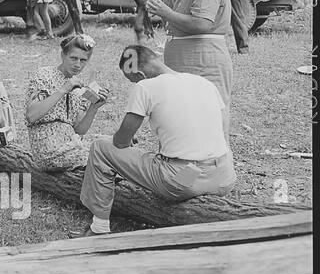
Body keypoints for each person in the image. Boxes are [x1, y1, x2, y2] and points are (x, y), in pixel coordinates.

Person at [78, 43, 234, 236]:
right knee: (184, 167)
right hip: (223, 176)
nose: (135, 84)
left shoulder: (145, 87)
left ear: (140, 75)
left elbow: (119, 143)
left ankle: (99, 227)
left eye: (133, 80)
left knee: (100, 147)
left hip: (185, 180)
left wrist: (122, 138)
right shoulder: (204, 83)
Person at [146, 0, 234, 134]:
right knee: (190, 121)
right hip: (192, 63)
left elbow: (201, 23)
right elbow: (177, 22)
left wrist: (165, 12)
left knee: (208, 118)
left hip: (203, 63)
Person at [25, 33, 111, 173]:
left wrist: (93, 108)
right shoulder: (44, 75)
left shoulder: (78, 88)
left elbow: (79, 130)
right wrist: (64, 89)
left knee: (110, 149)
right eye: (73, 58)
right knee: (102, 158)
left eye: (83, 60)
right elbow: (31, 115)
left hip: (72, 144)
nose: (78, 65)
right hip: (49, 149)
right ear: (63, 55)